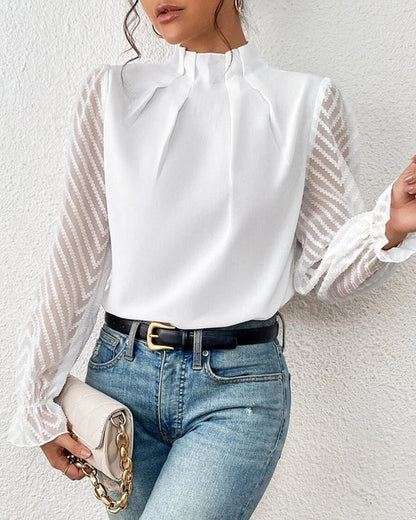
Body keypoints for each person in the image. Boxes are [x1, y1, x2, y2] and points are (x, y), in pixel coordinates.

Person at [6, 0, 416, 519]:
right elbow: (75, 257)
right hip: (120, 380)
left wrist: (389, 226)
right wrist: (37, 401)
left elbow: (324, 266)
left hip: (237, 390)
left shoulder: (305, 102)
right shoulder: (112, 94)